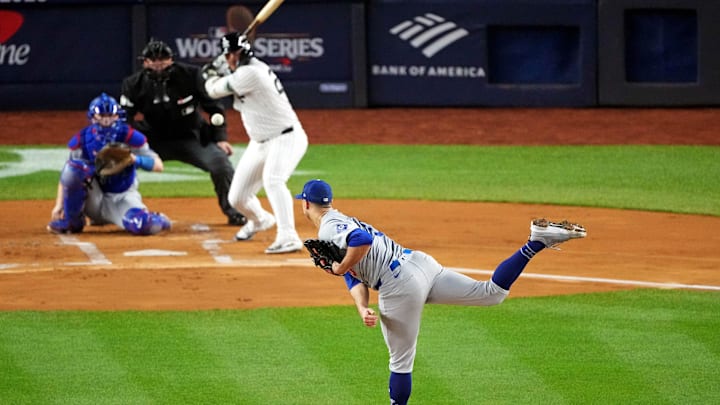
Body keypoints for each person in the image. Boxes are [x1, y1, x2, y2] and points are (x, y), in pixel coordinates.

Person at [295, 179, 587, 405]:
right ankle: (536, 242)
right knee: (491, 293)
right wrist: (361, 306)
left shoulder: (329, 227)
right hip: (421, 265)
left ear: (305, 204)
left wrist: (340, 265)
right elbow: (352, 274)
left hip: (398, 285)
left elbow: (361, 242)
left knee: (400, 361)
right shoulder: (340, 219)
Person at [119, 38, 247, 226]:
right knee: (116, 162)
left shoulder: (191, 75)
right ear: (145, 62)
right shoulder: (133, 84)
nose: (158, 64)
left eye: (163, 59)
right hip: (153, 139)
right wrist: (127, 145)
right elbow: (125, 119)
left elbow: (214, 107)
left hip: (191, 137)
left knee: (221, 165)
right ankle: (108, 212)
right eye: (153, 60)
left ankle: (234, 211)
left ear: (171, 59)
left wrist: (220, 139)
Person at [203, 32, 309, 254]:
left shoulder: (250, 73)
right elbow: (229, 77)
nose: (229, 58)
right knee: (237, 197)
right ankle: (260, 219)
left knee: (274, 180)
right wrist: (221, 69)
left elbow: (212, 90)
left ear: (241, 53)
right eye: (227, 54)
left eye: (232, 54)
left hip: (286, 137)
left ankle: (288, 236)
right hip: (260, 142)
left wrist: (211, 74)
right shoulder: (244, 70)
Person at [47, 93, 171, 235]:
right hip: (94, 198)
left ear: (118, 116)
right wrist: (59, 205)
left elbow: (158, 165)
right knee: (74, 169)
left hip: (122, 197)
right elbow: (67, 175)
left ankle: (158, 219)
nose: (106, 121)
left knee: (144, 226)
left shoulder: (129, 136)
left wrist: (135, 159)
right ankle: (72, 221)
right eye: (102, 116)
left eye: (110, 116)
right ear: (93, 117)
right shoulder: (82, 139)